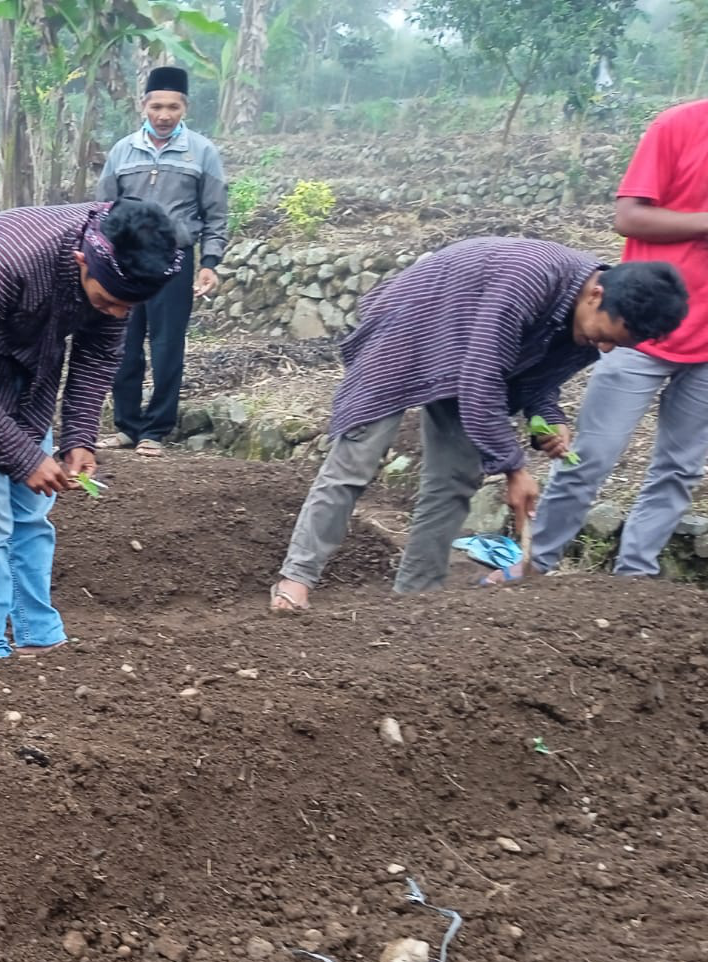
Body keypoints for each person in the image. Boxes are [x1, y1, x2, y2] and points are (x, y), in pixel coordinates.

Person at [269, 238, 688, 613]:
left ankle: (417, 597)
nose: (607, 347)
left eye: (618, 345)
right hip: (410, 327)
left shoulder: (592, 324)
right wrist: (513, 468)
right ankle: (296, 580)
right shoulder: (529, 280)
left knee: (455, 478)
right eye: (608, 335)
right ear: (597, 295)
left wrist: (549, 419)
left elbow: (533, 379)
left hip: (469, 353)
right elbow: (482, 378)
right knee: (356, 460)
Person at [0, 197, 181, 660]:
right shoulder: (12, 259)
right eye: (108, 302)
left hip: (32, 372)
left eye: (127, 308)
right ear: (82, 261)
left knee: (33, 515)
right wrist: (24, 457)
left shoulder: (119, 273)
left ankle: (38, 630)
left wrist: (79, 437)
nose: (117, 314)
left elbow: (98, 354)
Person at [485, 99, 708, 582]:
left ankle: (634, 579)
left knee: (680, 470)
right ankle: (534, 565)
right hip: (635, 332)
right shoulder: (680, 126)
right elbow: (627, 217)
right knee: (588, 458)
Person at [96, 65, 227, 458]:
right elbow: (103, 207)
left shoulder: (202, 152)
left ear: (184, 107)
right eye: (156, 106)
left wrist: (211, 261)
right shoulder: (123, 150)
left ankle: (156, 429)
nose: (163, 115)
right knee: (122, 342)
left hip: (174, 256)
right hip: (126, 259)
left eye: (172, 106)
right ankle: (126, 426)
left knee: (167, 344)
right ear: (144, 105)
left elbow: (216, 213)